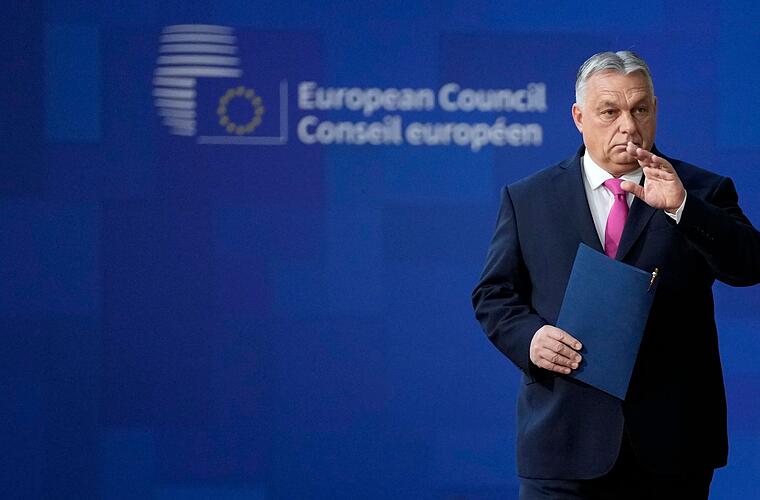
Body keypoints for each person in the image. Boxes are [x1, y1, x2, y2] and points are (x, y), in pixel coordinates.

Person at [471, 51, 760, 500]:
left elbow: (748, 267)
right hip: (563, 441)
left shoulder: (702, 191)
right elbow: (494, 294)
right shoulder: (529, 198)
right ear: (578, 117)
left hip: (672, 446)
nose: (628, 125)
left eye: (640, 109)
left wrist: (684, 208)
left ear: (655, 110)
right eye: (610, 112)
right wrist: (530, 339)